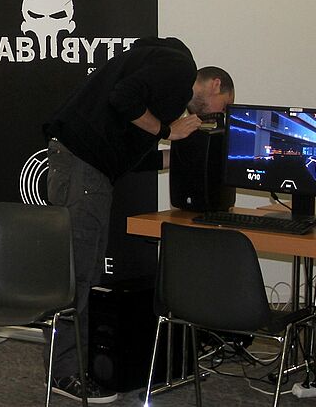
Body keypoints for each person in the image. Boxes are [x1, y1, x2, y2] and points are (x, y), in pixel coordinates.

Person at [42, 37, 235, 403]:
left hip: (83, 167)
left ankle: (66, 365)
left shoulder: (160, 80)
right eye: (219, 108)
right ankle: (64, 374)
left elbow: (131, 154)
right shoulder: (179, 70)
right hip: (84, 171)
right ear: (214, 84)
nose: (212, 117)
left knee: (83, 271)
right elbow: (122, 98)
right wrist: (168, 130)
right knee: (80, 274)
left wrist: (182, 152)